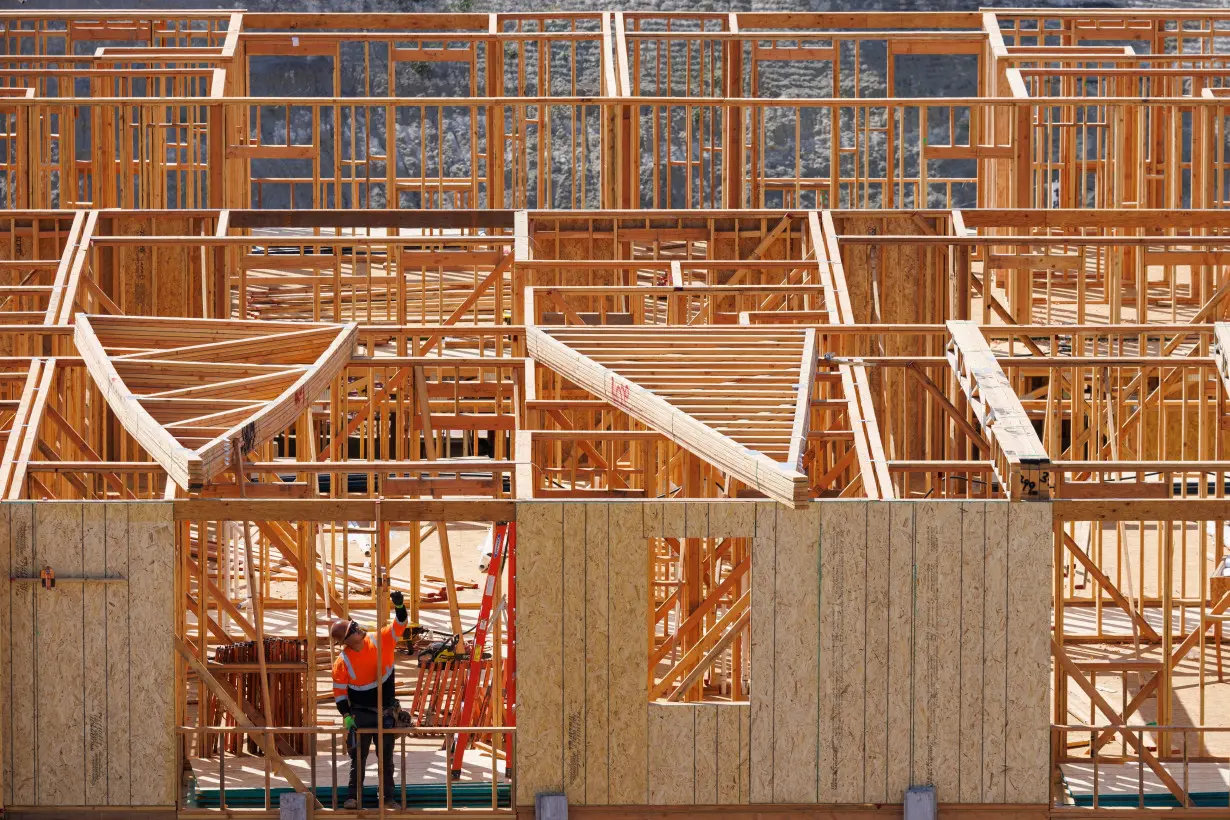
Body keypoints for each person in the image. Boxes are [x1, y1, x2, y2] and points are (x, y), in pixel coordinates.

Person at [330, 591, 411, 810]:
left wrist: (400, 605)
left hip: (385, 712)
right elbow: (339, 693)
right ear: (347, 641)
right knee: (358, 757)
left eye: (355, 625)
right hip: (361, 714)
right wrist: (346, 715)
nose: (358, 628)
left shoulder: (379, 638)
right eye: (353, 629)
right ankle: (353, 797)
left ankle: (387, 799)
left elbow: (401, 623)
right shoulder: (343, 661)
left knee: (386, 759)